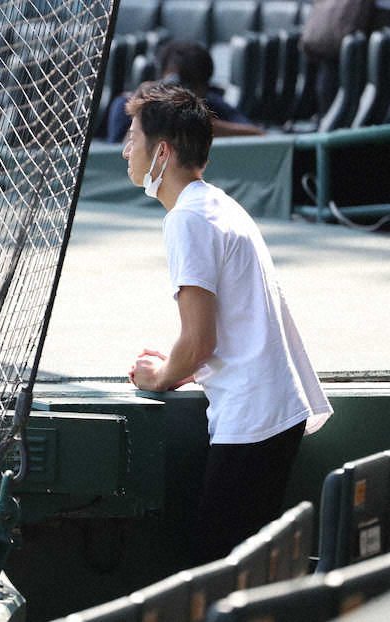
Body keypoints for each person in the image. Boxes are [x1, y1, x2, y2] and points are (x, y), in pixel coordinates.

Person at [120, 84, 332, 564]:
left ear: (163, 151)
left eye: (133, 137)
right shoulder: (214, 204)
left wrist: (159, 376)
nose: (127, 149)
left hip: (253, 420)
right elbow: (220, 335)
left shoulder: (187, 221)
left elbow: (198, 340)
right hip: (269, 413)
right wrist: (184, 366)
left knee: (219, 568)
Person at [106, 40, 264, 143]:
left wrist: (202, 125)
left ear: (204, 86)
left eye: (189, 86)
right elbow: (116, 159)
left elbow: (257, 134)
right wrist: (142, 114)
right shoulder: (125, 104)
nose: (179, 92)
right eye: (174, 84)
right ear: (161, 78)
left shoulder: (209, 103)